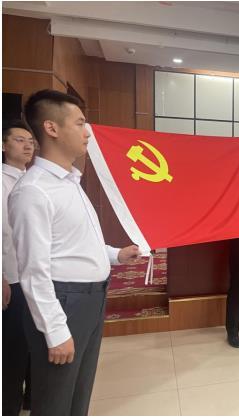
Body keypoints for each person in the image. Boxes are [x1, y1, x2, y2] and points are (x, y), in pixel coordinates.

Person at [9, 89, 141, 415]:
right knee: (55, 400)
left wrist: (116, 255)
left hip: (91, 299)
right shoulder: (33, 190)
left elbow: (75, 244)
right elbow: (33, 270)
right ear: (51, 128)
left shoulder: (69, 181)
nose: (87, 132)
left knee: (79, 394)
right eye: (80, 123)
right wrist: (54, 331)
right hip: (64, 300)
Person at [2, 120, 35, 415]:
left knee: (34, 341)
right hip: (10, 277)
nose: (27, 146)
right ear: (3, 145)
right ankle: (8, 406)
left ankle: (30, 399)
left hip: (34, 276)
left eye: (30, 141)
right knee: (12, 347)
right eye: (19, 140)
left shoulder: (32, 180)